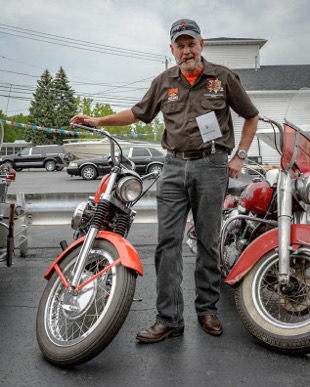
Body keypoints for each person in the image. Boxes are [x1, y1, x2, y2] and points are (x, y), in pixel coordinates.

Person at [70, 18, 259, 343]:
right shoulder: (164, 82)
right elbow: (137, 112)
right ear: (172, 49)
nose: (186, 50)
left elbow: (251, 115)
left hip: (212, 165)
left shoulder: (223, 78)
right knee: (167, 243)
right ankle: (169, 319)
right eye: (180, 45)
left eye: (191, 43)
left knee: (207, 241)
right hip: (172, 167)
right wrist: (97, 119)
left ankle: (207, 310)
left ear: (201, 45)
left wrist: (240, 154)